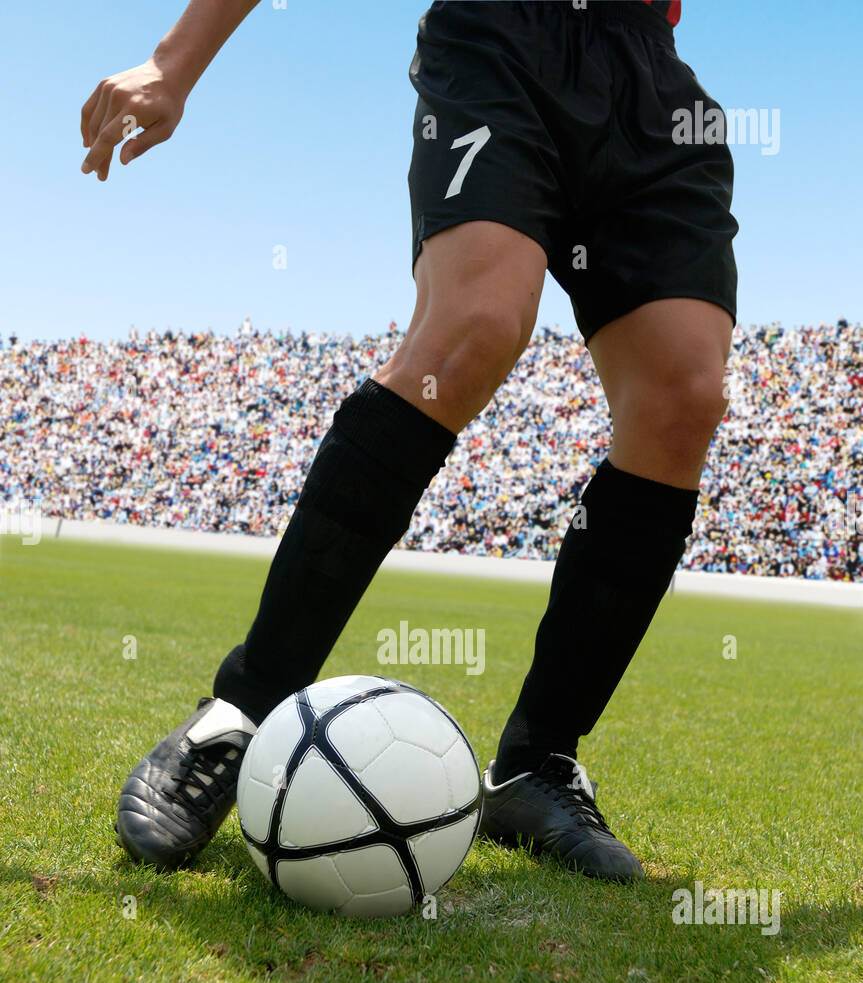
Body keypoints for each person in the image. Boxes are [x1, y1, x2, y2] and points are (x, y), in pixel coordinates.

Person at [81, 0, 738, 883]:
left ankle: (536, 762)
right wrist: (174, 62)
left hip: (649, 81)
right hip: (503, 36)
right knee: (473, 328)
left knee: (683, 400)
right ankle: (242, 710)